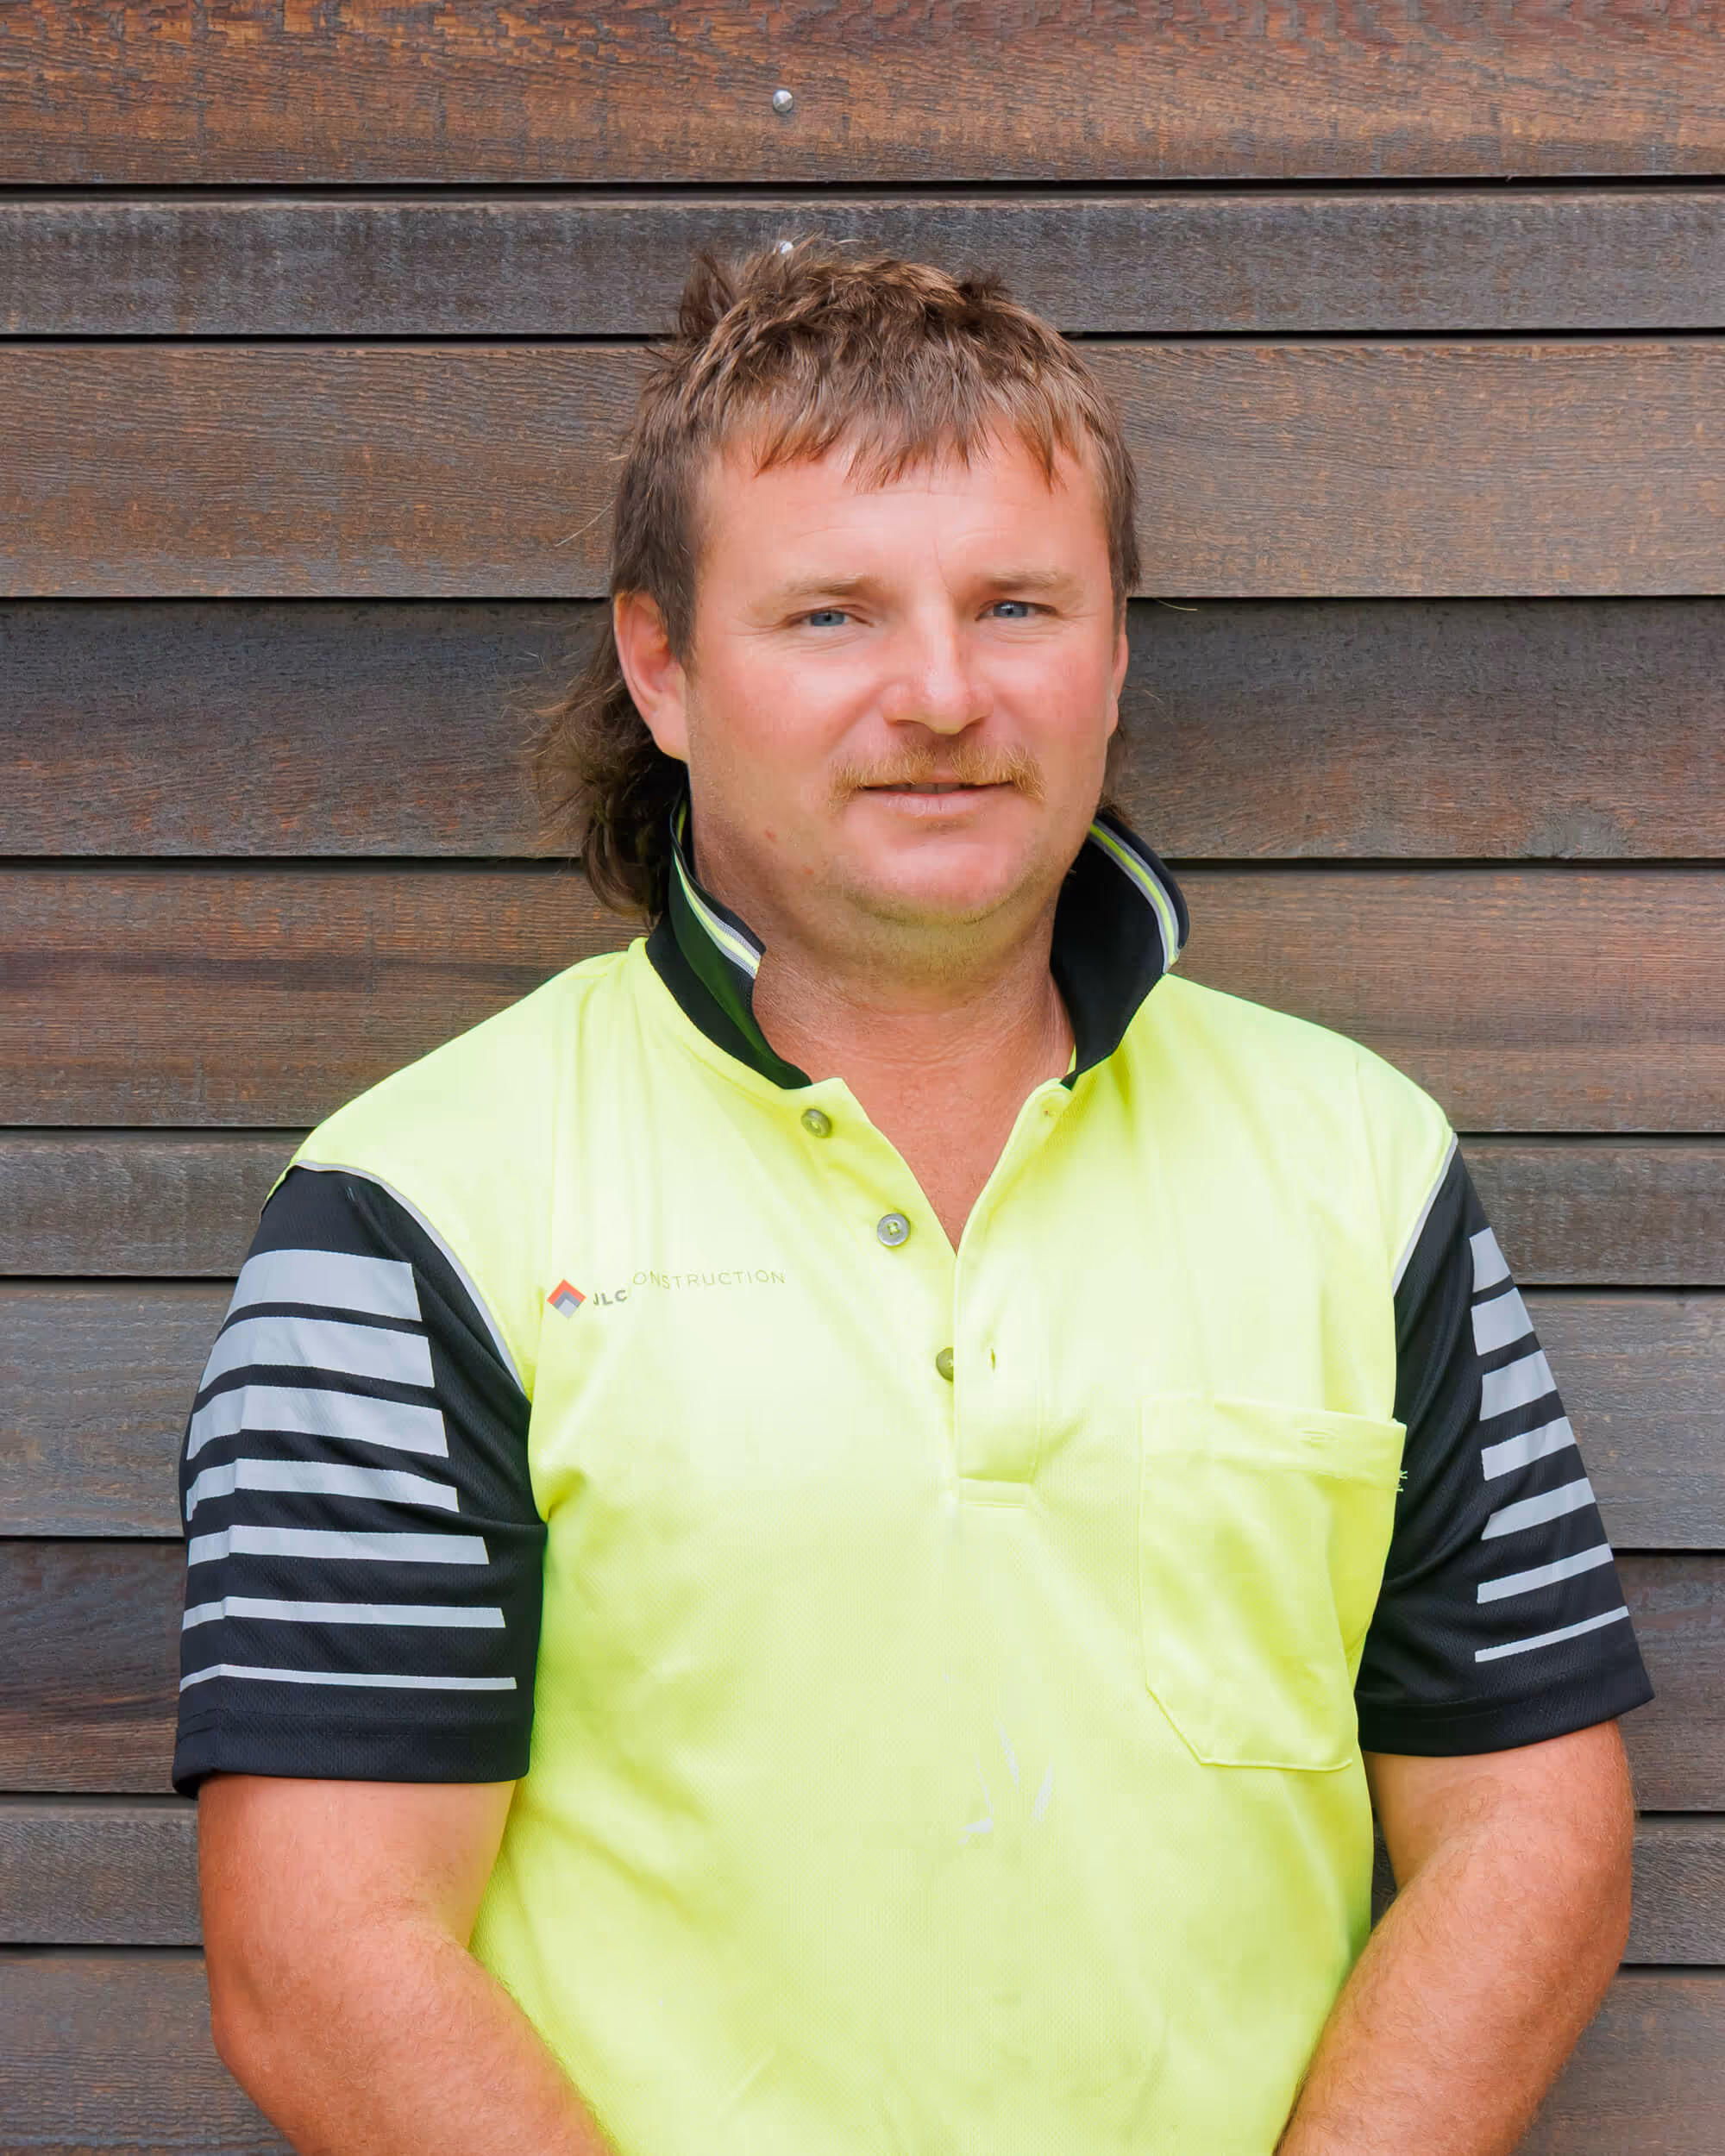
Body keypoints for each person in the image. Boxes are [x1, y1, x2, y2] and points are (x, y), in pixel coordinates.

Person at [176, 241, 1653, 2156]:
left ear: (1114, 649)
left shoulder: (1360, 1164)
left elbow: (1529, 1833)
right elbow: (321, 1955)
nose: (942, 692)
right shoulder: (414, 1213)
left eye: (1016, 602)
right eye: (832, 615)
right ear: (663, 667)